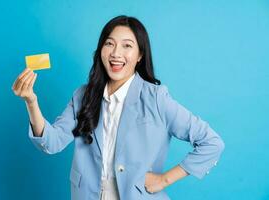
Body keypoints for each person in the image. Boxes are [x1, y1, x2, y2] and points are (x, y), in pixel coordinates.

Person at [12, 15, 225, 200]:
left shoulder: (156, 98)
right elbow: (52, 143)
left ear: (140, 55)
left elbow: (211, 143)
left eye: (127, 45)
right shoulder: (83, 96)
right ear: (101, 49)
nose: (116, 53)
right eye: (109, 43)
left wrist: (164, 180)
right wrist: (31, 101)